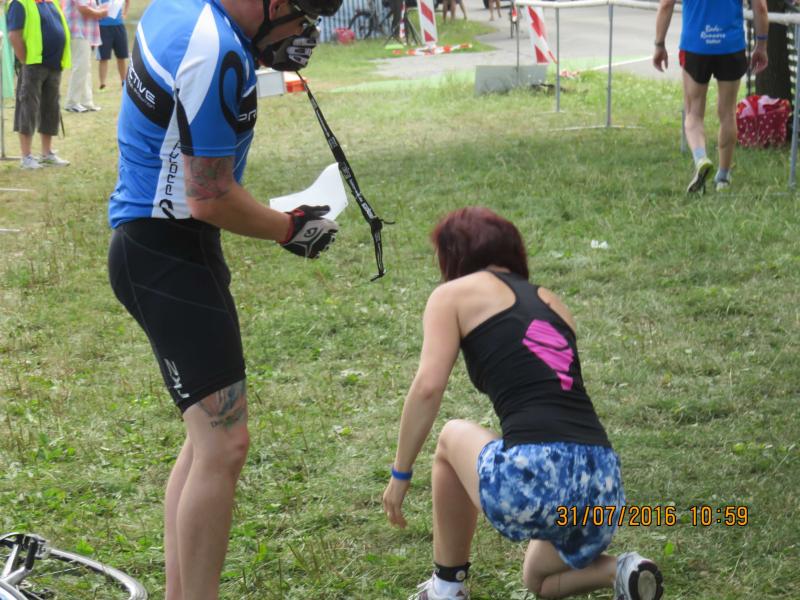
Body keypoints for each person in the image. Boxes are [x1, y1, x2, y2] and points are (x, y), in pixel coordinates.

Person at [106, 0, 341, 598]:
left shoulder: (184, 12)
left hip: (165, 245)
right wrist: (290, 229)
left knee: (206, 443)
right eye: (304, 15)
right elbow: (208, 195)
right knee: (224, 445)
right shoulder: (213, 46)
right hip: (167, 253)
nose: (305, 32)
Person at [382, 207, 664, 600]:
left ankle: (446, 588)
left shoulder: (452, 295)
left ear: (454, 254)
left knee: (450, 438)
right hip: (603, 485)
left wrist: (400, 473)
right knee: (539, 582)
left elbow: (428, 387)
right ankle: (623, 570)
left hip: (534, 474)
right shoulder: (553, 303)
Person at [653, 0, 769, 193]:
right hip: (731, 46)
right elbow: (761, 8)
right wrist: (761, 45)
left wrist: (659, 44)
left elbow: (666, 5)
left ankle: (701, 159)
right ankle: (723, 177)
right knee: (728, 113)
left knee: (693, 113)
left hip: (695, 45)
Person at [6, 0, 71, 169]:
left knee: (51, 108)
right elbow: (14, 35)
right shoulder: (19, 3)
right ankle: (26, 157)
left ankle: (46, 154)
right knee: (28, 108)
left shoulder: (51, 2)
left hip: (54, 65)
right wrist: (26, 61)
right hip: (33, 65)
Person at [63, 0, 107, 112]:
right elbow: (83, 9)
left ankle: (86, 102)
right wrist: (101, 13)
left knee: (85, 68)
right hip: (78, 31)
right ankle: (72, 103)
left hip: (84, 32)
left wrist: (102, 10)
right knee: (80, 67)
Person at [96, 0, 129, 90]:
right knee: (103, 57)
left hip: (119, 26)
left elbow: (127, 1)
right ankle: (102, 84)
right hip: (103, 27)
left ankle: (124, 82)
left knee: (121, 57)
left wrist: (125, 14)